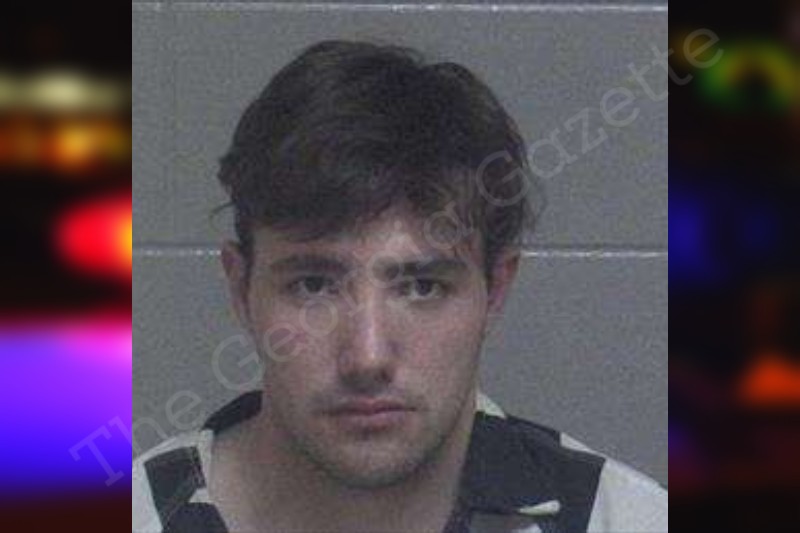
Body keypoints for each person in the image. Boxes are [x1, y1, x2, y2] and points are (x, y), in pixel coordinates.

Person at [133, 40, 667, 533]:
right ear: (241, 289)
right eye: (313, 284)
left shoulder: (626, 521)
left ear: (495, 290)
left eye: (423, 287)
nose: (367, 357)